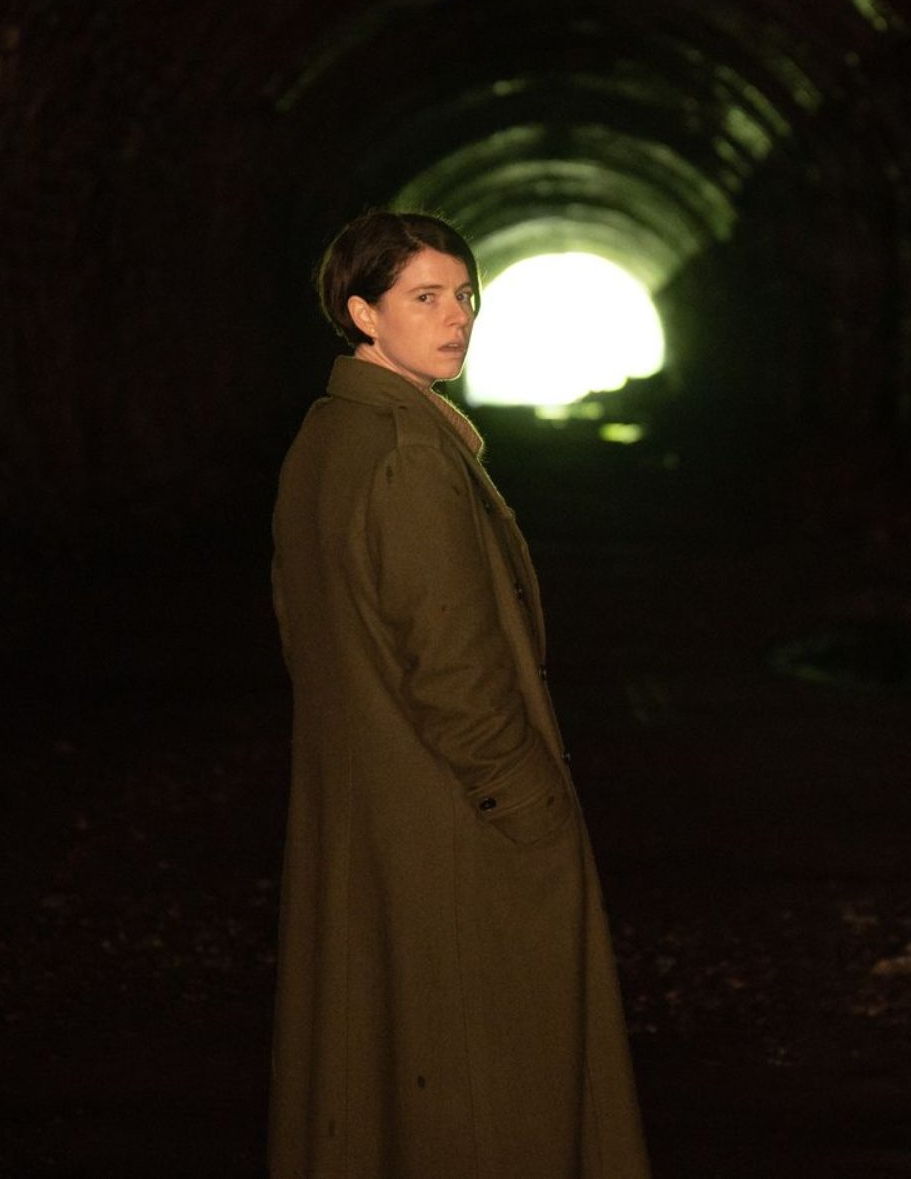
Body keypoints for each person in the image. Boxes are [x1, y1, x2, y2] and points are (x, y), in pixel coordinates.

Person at [268, 211, 651, 1178]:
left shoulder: (328, 433)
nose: (456, 318)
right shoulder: (408, 454)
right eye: (424, 298)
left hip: (371, 800)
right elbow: (453, 667)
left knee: (384, 1059)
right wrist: (529, 811)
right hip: (448, 814)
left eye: (466, 295)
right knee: (489, 1078)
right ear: (363, 312)